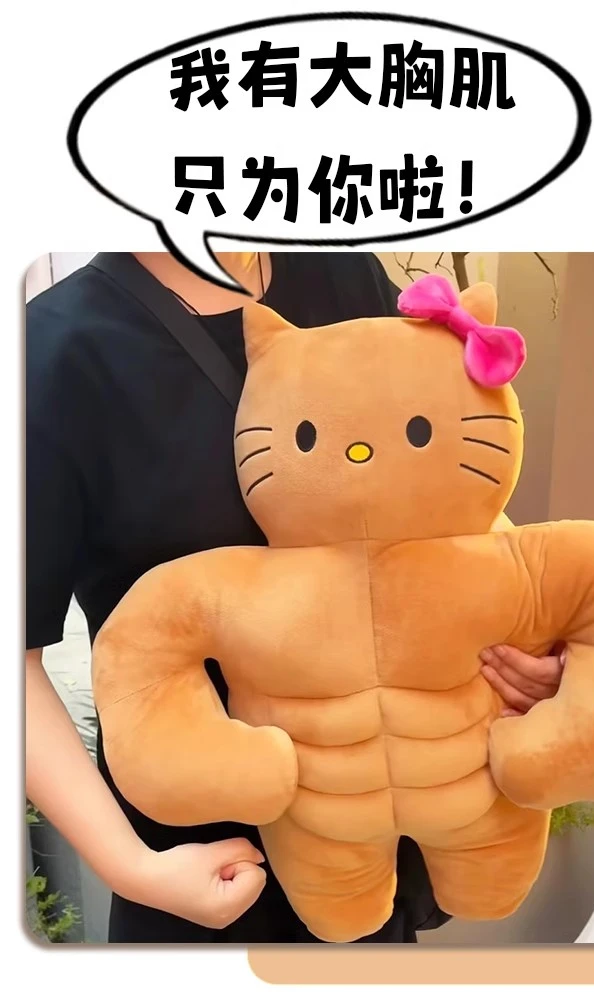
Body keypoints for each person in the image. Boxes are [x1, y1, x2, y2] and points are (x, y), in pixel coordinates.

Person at [25, 251, 565, 944]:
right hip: (209, 866)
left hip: (388, 816)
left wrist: (531, 633)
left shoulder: (343, 276)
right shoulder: (57, 351)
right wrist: (131, 868)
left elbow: (440, 500)